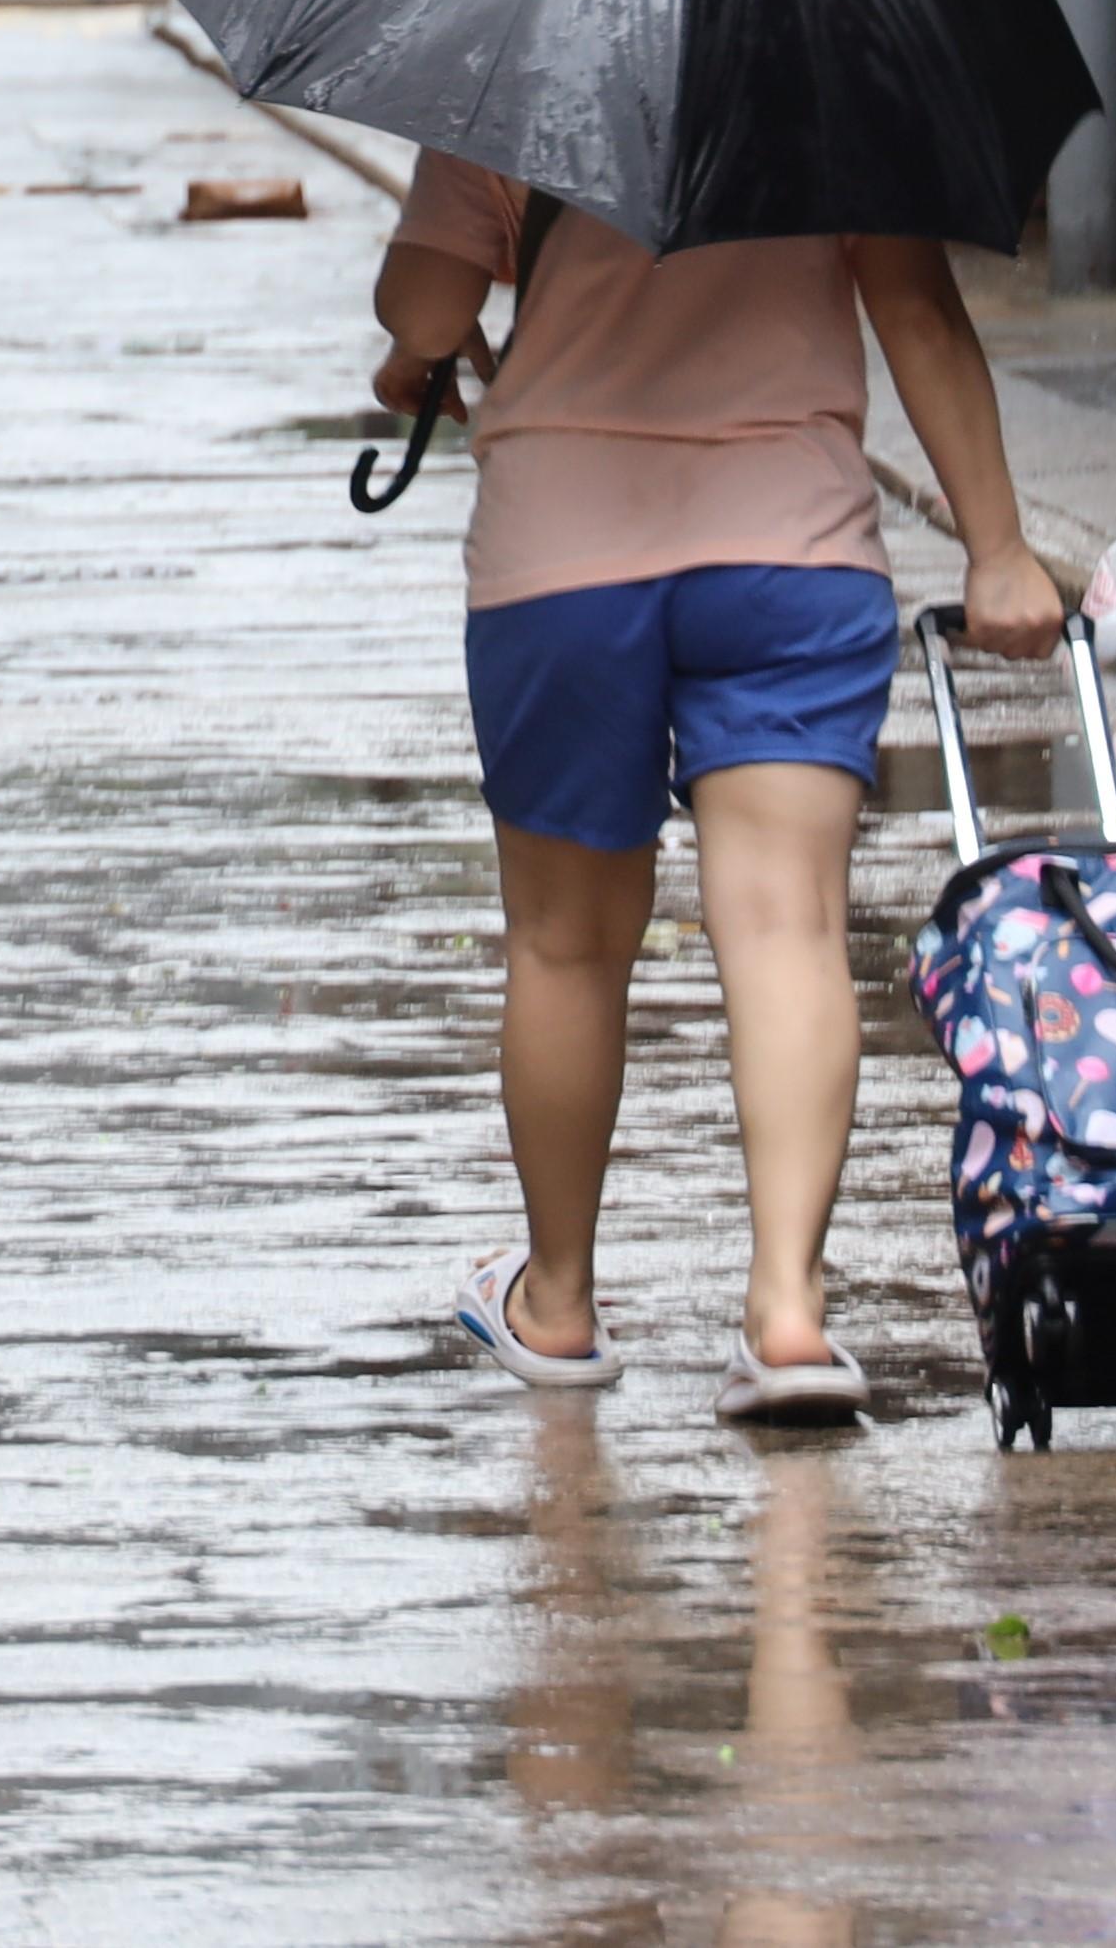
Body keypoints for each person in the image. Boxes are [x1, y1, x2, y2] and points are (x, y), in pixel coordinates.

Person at [371, 155, 1062, 1420]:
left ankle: (558, 1302)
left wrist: (448, 337)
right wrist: (998, 546)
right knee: (787, 925)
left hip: (561, 563)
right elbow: (913, 308)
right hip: (787, 552)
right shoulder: (827, 51)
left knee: (567, 947)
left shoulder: (521, 42)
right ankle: (788, 1315)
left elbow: (418, 308)